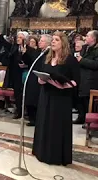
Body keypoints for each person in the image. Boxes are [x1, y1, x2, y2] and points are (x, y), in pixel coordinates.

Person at [32, 31, 80, 166]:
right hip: (46, 96)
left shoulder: (70, 60)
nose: (53, 42)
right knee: (44, 123)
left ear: (63, 43)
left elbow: (76, 81)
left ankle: (55, 156)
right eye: (52, 39)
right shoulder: (47, 58)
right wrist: (41, 80)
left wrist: (63, 86)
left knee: (56, 126)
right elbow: (41, 76)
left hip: (61, 99)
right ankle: (42, 153)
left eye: (56, 40)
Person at [0, 29, 31, 119]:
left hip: (24, 74)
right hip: (15, 74)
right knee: (17, 94)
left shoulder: (28, 48)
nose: (18, 39)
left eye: (20, 37)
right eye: (17, 37)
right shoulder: (14, 47)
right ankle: (18, 111)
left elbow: (31, 60)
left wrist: (26, 64)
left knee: (24, 94)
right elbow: (5, 43)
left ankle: (26, 112)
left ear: (25, 39)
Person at [24, 34, 52, 126]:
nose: (39, 42)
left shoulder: (49, 53)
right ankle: (32, 119)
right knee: (30, 98)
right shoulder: (38, 52)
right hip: (33, 76)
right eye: (39, 40)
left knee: (37, 100)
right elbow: (31, 61)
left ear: (48, 43)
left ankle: (37, 119)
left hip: (41, 78)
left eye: (42, 41)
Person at [74, 30, 98, 125]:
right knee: (80, 98)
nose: (85, 37)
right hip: (81, 76)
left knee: (88, 100)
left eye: (88, 36)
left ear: (93, 38)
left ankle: (89, 121)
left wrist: (82, 60)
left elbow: (96, 64)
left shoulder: (96, 50)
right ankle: (81, 117)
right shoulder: (84, 47)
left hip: (91, 78)